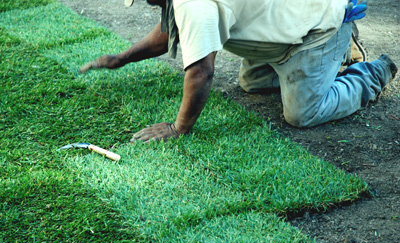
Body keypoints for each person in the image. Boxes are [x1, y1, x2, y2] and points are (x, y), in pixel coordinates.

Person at [80, 0, 398, 143]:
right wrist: (120, 58)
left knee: (302, 114)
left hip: (315, 31)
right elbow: (170, 31)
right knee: (252, 83)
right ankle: (330, 58)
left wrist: (178, 127)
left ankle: (370, 72)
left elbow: (201, 72)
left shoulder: (194, 5)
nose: (148, 3)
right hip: (285, 30)